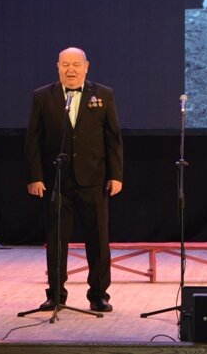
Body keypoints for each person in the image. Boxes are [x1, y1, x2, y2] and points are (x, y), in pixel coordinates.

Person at [24, 47, 123, 313]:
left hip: (93, 179)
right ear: (57, 66)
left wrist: (116, 175)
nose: (71, 70)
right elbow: (33, 140)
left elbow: (113, 138)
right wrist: (35, 176)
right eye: (65, 64)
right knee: (56, 239)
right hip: (58, 181)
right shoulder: (43, 97)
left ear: (86, 66)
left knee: (98, 240)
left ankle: (99, 294)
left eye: (76, 64)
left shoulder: (103, 94)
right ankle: (56, 294)